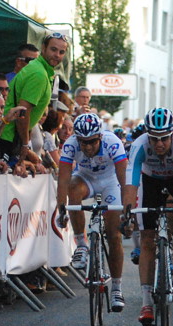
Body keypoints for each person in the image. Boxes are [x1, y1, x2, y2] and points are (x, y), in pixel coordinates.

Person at [121, 107, 173, 326]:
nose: (159, 144)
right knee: (147, 239)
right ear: (148, 135)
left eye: (164, 138)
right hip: (150, 182)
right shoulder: (139, 145)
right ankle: (146, 303)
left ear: (172, 134)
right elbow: (131, 183)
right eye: (154, 139)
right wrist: (127, 214)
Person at [57, 114, 128, 311]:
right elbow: (62, 179)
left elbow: (124, 179)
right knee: (72, 188)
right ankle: (81, 245)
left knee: (114, 236)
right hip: (85, 179)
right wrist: (61, 208)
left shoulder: (113, 142)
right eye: (83, 142)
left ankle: (116, 287)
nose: (87, 147)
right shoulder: (71, 144)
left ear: (100, 137)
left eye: (91, 142)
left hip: (110, 182)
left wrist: (128, 210)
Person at [0, 32, 69, 172]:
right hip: (10, 137)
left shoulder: (39, 70)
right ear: (43, 48)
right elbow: (22, 112)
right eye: (53, 49)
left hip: (10, 135)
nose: (57, 55)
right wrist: (25, 144)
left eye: (61, 52)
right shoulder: (39, 74)